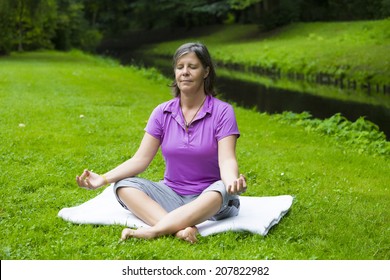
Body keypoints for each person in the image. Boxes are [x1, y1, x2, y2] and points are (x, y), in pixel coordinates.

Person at [76, 42, 247, 243]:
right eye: (180, 67)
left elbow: (227, 160)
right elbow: (140, 160)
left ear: (206, 71)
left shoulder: (223, 112)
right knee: (123, 185)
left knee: (221, 188)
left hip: (210, 198)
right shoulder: (162, 112)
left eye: (192, 67)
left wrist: (231, 182)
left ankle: (155, 230)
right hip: (172, 194)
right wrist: (103, 179)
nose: (185, 72)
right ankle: (181, 229)